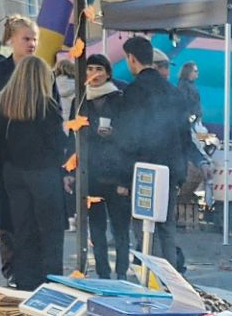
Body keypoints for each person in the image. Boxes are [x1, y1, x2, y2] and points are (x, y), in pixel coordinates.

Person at [0, 57, 69, 290]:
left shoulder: (2, 103)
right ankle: (51, 283)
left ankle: (25, 282)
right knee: (50, 232)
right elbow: (58, 142)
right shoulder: (46, 106)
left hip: (13, 173)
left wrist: (9, 156)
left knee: (23, 229)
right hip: (43, 174)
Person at [112, 35, 190, 265]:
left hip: (142, 170)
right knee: (166, 226)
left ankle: (151, 280)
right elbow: (184, 135)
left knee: (144, 227)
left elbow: (128, 137)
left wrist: (123, 178)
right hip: (170, 169)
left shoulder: (133, 93)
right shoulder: (174, 92)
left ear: (131, 58)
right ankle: (171, 278)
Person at [0, 14, 37, 280]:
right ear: (12, 40)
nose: (32, 44)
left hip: (35, 159)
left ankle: (29, 267)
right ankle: (11, 268)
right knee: (8, 214)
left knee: (32, 215)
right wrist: (1, 145)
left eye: (35, 39)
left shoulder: (40, 72)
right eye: (26, 38)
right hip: (5, 156)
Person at [78, 53, 131, 280]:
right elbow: (73, 135)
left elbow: (131, 137)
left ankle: (121, 272)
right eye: (89, 69)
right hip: (91, 175)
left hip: (116, 174)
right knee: (96, 230)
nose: (94, 74)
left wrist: (115, 134)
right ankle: (103, 272)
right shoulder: (81, 101)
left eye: (99, 69)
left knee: (120, 229)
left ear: (108, 73)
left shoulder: (119, 98)